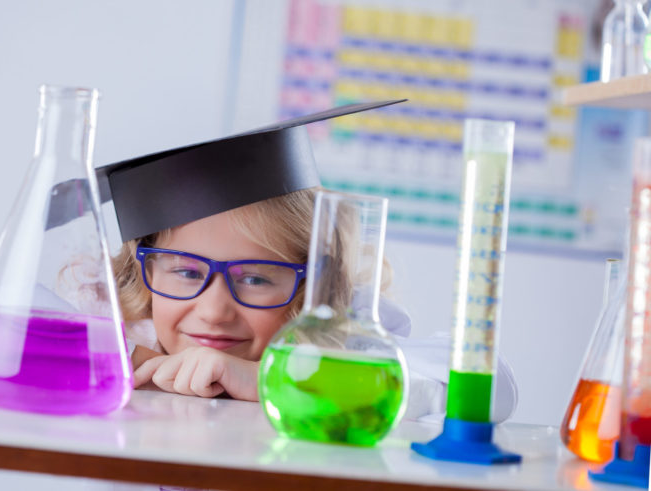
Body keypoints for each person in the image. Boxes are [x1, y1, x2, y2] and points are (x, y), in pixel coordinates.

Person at [95, 100, 518, 421]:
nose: (213, 312)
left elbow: (489, 389)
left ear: (315, 284)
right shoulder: (122, 341)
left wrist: (274, 382)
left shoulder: (337, 346)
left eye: (257, 279)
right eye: (186, 272)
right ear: (143, 269)